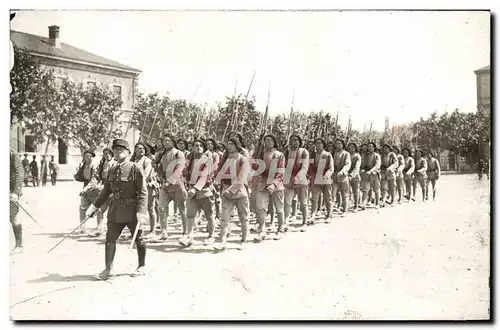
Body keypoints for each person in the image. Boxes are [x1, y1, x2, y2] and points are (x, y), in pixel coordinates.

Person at [86, 139, 148, 280]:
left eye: (121, 149)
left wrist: (141, 211)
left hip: (132, 211)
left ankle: (141, 266)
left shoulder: (135, 168)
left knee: (139, 238)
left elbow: (143, 192)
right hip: (115, 210)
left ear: (128, 152)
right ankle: (108, 269)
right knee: (110, 239)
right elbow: (106, 191)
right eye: (115, 149)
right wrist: (94, 207)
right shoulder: (112, 169)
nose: (118, 152)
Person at [213, 138, 251, 251]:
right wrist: (215, 184)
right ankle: (223, 241)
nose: (229, 146)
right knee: (224, 218)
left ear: (237, 145)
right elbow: (219, 174)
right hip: (226, 192)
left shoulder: (243, 159)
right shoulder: (225, 159)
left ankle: (244, 239)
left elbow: (241, 177)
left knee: (243, 217)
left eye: (232, 144)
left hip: (240, 192)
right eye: (228, 144)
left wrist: (230, 190)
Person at [179, 138, 215, 247]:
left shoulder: (208, 160)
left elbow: (204, 176)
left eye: (200, 145)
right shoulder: (190, 159)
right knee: (190, 214)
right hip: (191, 190)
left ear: (204, 148)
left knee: (209, 215)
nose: (198, 147)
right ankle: (190, 237)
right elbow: (183, 172)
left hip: (204, 190)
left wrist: (195, 188)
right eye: (196, 145)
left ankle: (211, 236)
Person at [253, 134, 286, 242]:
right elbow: (255, 166)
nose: (267, 142)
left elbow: (281, 172)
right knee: (260, 208)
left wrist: (274, 184)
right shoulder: (262, 154)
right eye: (266, 140)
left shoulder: (279, 155)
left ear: (274, 142)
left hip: (276, 185)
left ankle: (280, 229)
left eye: (270, 140)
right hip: (263, 183)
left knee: (279, 208)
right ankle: (262, 230)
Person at [157, 134, 187, 240]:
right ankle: (163, 231)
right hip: (165, 185)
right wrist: (158, 172)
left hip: (177, 184)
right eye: (164, 141)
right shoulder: (162, 155)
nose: (166, 143)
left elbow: (179, 169)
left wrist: (169, 182)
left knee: (182, 209)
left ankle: (186, 231)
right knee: (161, 207)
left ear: (173, 142)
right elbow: (160, 169)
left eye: (168, 141)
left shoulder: (179, 153)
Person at [131, 142, 158, 238]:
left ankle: (153, 230)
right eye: (139, 148)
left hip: (148, 187)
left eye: (143, 148)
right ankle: (137, 231)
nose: (141, 150)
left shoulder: (147, 161)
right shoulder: (133, 161)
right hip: (135, 188)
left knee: (150, 209)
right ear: (135, 150)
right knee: (136, 210)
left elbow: (146, 175)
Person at [283, 134, 309, 231]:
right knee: (287, 201)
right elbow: (284, 166)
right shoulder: (287, 152)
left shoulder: (304, 152)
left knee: (303, 202)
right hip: (289, 179)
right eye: (292, 140)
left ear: (300, 142)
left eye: (297, 140)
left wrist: (297, 177)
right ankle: (285, 221)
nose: (295, 142)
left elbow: (304, 167)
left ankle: (304, 221)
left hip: (301, 180)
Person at [308, 138, 334, 223]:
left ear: (323, 144)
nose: (318, 145)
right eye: (316, 143)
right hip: (316, 178)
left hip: (326, 179)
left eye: (320, 143)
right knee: (314, 198)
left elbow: (331, 168)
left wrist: (326, 176)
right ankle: (313, 215)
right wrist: (311, 175)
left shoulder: (327, 155)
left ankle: (329, 214)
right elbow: (310, 166)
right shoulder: (312, 155)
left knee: (328, 197)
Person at [77, 150, 97, 234]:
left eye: (90, 156)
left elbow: (93, 179)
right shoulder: (84, 165)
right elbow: (79, 177)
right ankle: (82, 227)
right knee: (82, 208)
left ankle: (99, 228)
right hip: (85, 186)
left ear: (92, 157)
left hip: (93, 188)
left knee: (97, 208)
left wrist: (85, 190)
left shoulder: (94, 166)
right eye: (86, 156)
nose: (88, 158)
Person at [331, 138, 351, 217]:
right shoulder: (333, 153)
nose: (338, 145)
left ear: (343, 145)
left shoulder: (346, 154)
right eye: (337, 143)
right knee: (332, 193)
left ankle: (344, 210)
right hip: (334, 175)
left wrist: (343, 171)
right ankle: (330, 210)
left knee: (344, 194)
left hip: (343, 176)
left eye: (340, 143)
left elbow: (347, 164)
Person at [360, 142, 381, 209]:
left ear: (374, 147)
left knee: (376, 189)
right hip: (367, 174)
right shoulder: (366, 156)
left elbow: (377, 165)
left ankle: (377, 203)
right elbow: (363, 164)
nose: (370, 148)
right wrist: (363, 169)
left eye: (372, 146)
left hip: (374, 174)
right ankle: (363, 203)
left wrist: (371, 171)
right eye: (369, 146)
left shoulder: (377, 155)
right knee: (365, 189)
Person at [10, 150, 24, 253]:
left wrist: (15, 192)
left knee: (13, 217)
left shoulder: (11, 154)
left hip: (10, 192)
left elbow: (20, 172)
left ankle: (19, 245)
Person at [347, 142, 361, 212]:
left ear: (355, 148)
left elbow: (357, 167)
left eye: (353, 147)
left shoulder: (357, 156)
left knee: (356, 191)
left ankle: (356, 205)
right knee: (346, 191)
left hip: (355, 176)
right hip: (346, 175)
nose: (351, 148)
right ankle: (345, 206)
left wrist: (352, 175)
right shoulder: (346, 154)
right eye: (350, 146)